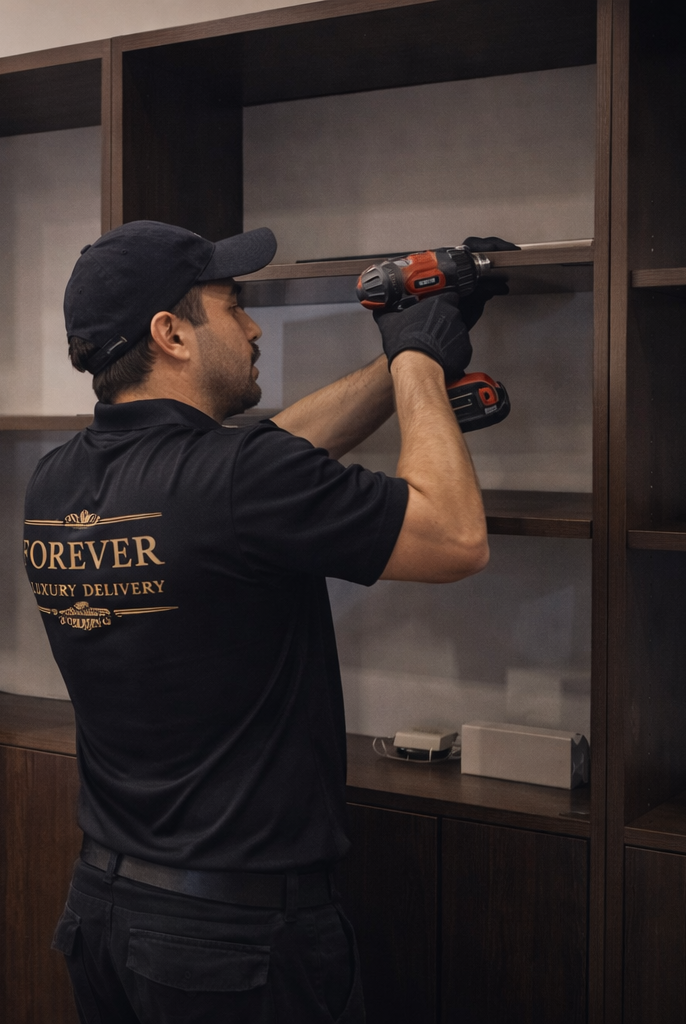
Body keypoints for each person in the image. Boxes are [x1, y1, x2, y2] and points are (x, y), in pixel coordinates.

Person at [26, 220, 497, 1023]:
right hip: (234, 944)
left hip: (105, 913)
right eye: (233, 304)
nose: (251, 328)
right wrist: (417, 361)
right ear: (170, 334)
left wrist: (396, 363)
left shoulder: (57, 480)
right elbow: (454, 537)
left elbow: (269, 453)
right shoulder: (240, 480)